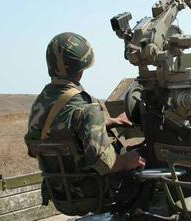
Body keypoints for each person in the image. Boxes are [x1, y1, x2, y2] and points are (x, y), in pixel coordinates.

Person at [24, 32, 145, 215]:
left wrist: (106, 123)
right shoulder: (87, 107)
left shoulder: (40, 104)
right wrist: (128, 160)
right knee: (146, 161)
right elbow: (104, 164)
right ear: (82, 67)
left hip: (60, 194)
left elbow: (39, 146)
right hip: (94, 194)